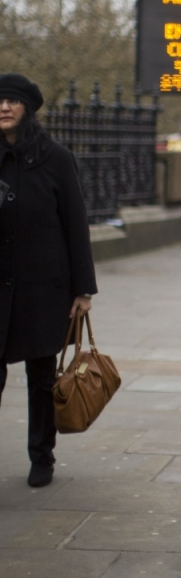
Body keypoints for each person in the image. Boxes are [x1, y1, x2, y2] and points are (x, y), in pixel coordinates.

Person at [0, 74, 97, 487]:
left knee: (42, 377)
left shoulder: (56, 158)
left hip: (44, 287)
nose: (4, 107)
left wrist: (84, 289)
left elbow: (76, 225)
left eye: (12, 101)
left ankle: (42, 456)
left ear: (28, 108)